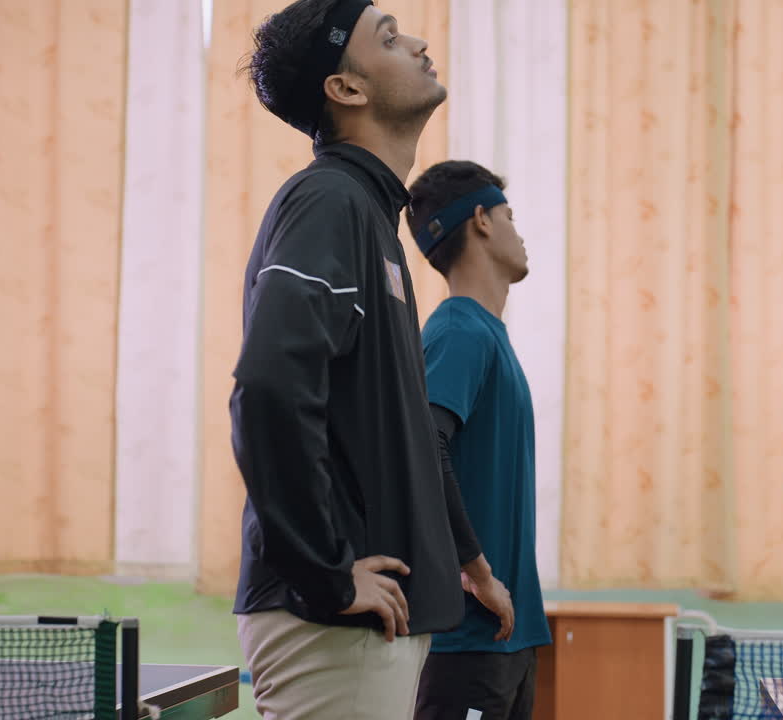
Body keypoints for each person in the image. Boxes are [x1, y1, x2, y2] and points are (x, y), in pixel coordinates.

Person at [229, 3, 512, 718]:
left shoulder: (369, 217)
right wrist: (326, 573)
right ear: (347, 89)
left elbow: (410, 431)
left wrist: (469, 564)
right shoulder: (329, 200)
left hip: (372, 616)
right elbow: (266, 388)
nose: (417, 42)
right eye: (387, 38)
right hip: (334, 619)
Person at [406, 161, 552, 720]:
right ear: (482, 221)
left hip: (506, 638)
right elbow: (426, 449)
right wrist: (479, 572)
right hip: (465, 643)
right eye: (509, 215)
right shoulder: (459, 332)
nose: (520, 231)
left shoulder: (486, 335)